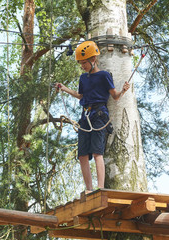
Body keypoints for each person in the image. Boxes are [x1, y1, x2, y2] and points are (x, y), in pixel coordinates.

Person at [56, 41, 130, 193]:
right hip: (86, 116)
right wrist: (64, 88)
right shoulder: (83, 78)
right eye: (81, 63)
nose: (82, 66)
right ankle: (89, 189)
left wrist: (123, 90)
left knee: (97, 152)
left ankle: (100, 188)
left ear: (93, 60)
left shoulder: (104, 76)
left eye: (84, 63)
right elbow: (80, 95)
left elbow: (115, 96)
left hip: (99, 115)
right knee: (82, 155)